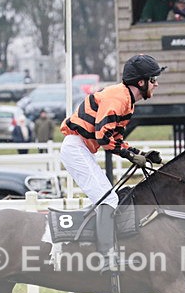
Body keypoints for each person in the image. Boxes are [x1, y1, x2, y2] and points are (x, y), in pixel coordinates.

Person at [60, 54, 166, 271]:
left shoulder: (126, 100)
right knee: (108, 199)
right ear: (141, 82)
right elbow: (103, 137)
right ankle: (105, 258)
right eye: (153, 80)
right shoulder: (118, 99)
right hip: (75, 148)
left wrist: (139, 153)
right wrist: (130, 155)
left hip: (81, 148)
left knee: (108, 198)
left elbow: (114, 139)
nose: (157, 84)